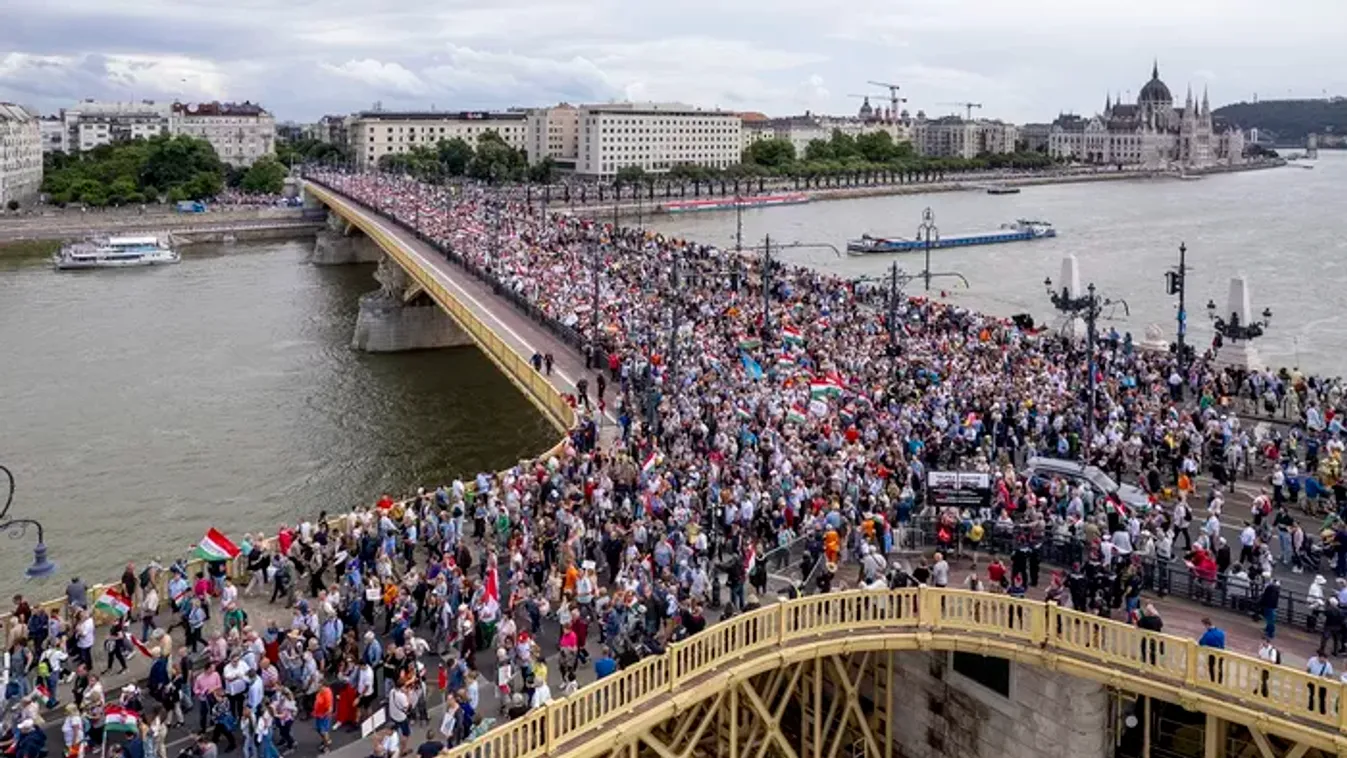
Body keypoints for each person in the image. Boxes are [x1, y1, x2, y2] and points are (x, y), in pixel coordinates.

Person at [1198, 617, 1225, 684]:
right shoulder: (1221, 632)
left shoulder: (1207, 635)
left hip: (1212, 653)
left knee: (1211, 666)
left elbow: (1201, 643)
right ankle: (1219, 682)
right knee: (1220, 668)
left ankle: (1213, 681)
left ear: (1206, 625)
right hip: (1221, 652)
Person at [312, 682, 334, 753]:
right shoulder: (321, 692)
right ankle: (326, 740)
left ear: (324, 686)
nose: (318, 688)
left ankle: (326, 747)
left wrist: (324, 715)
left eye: (320, 687)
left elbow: (330, 709)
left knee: (324, 732)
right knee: (319, 730)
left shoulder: (327, 694)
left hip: (323, 717)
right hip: (318, 715)